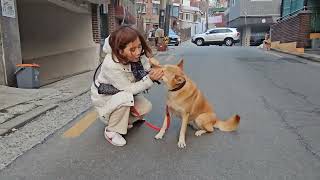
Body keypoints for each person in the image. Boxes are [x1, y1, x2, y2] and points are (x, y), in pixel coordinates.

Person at [91, 26, 164, 147]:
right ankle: (111, 130)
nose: (138, 52)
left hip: (122, 94)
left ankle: (122, 121)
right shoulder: (111, 64)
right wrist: (150, 79)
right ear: (120, 50)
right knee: (126, 97)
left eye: (139, 46)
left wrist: (153, 67)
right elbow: (128, 89)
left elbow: (145, 69)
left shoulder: (138, 56)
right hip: (106, 98)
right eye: (132, 49)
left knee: (146, 107)